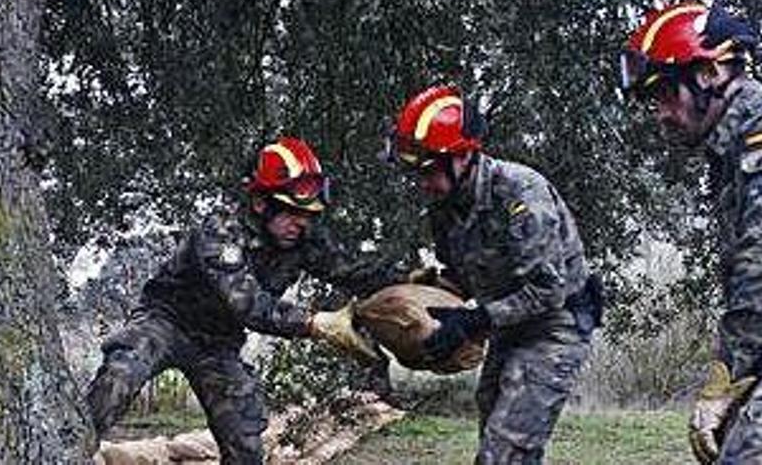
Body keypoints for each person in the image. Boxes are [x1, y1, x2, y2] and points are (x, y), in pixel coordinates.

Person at [86, 136, 395, 464]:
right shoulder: (221, 230)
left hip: (219, 343)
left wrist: (416, 281)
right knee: (119, 377)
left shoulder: (303, 238)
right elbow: (248, 305)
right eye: (292, 212)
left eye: (309, 214)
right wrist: (315, 323)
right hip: (164, 323)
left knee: (246, 444)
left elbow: (354, 269)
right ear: (261, 203)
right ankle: (64, 454)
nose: (301, 223)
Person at [384, 85, 602, 464]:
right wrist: (428, 294)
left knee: (504, 451)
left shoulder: (521, 193)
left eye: (430, 170)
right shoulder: (445, 207)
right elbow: (466, 276)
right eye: (416, 172)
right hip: (509, 323)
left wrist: (476, 320)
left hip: (556, 323)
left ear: (464, 155)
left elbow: (549, 290)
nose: (423, 183)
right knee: (496, 434)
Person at [620, 0, 762, 464]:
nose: (658, 113)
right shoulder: (735, 143)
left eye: (663, 94)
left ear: (707, 75)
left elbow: (758, 266)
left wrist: (727, 383)